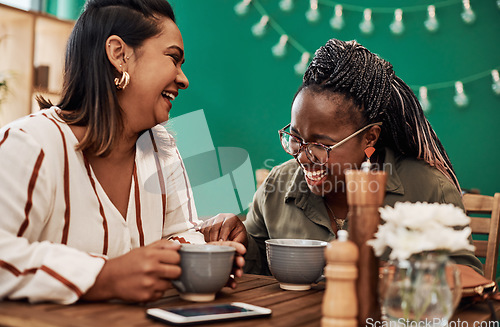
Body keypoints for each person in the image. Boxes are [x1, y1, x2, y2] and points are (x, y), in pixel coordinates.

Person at [0, 0, 244, 304]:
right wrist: (103, 278)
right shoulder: (30, 144)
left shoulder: (162, 149)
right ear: (119, 55)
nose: (183, 79)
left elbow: (181, 234)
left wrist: (207, 258)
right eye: (173, 58)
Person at [199, 38, 482, 276]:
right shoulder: (277, 186)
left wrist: (401, 274)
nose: (303, 157)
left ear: (369, 137)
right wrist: (239, 240)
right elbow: (257, 259)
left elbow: (468, 280)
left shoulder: (430, 191)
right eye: (296, 138)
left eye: (321, 145)